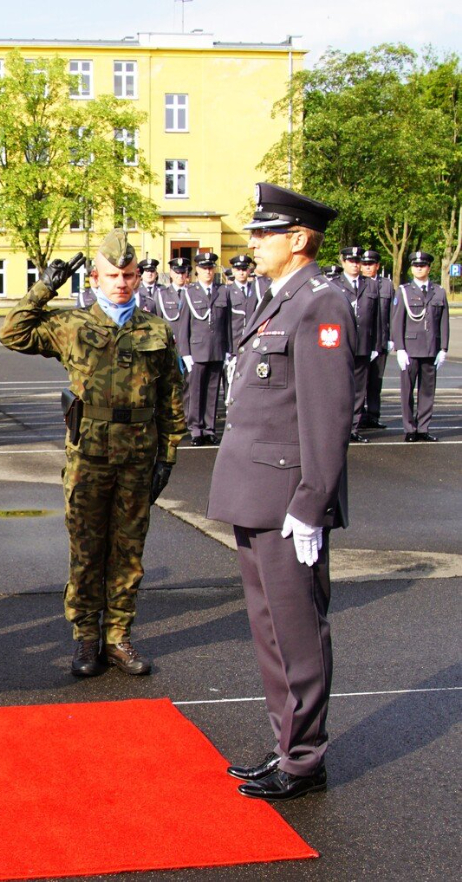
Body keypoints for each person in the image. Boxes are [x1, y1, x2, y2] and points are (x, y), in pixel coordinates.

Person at [207, 182, 351, 802]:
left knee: (296, 629)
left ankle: (303, 758)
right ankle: (287, 744)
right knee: (270, 629)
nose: (254, 242)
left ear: (298, 240)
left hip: (288, 499)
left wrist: (311, 501)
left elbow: (328, 413)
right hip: (253, 491)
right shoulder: (279, 299)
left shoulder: (320, 303)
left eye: (265, 233)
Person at [0, 231, 186, 677]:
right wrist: (44, 288)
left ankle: (118, 636)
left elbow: (171, 397)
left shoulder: (156, 330)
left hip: (139, 455)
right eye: (112, 275)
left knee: (128, 550)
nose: (121, 283)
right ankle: (86, 637)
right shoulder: (73, 326)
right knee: (86, 548)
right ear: (95, 278)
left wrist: (169, 454)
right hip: (89, 457)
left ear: (138, 277)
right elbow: (12, 334)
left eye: (128, 274)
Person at [391, 251, 450, 442]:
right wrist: (399, 348)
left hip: (431, 349)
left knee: (427, 391)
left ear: (429, 268)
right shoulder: (405, 291)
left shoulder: (439, 291)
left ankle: (423, 427)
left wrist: (444, 348)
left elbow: (444, 322)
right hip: (410, 349)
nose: (419, 268)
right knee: (407, 391)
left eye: (423, 266)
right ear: (411, 268)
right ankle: (410, 428)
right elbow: (397, 321)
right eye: (416, 266)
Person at [178, 252, 230, 445]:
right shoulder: (190, 293)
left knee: (213, 391)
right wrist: (185, 353)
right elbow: (184, 326)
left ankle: (209, 428)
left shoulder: (223, 291)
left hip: (217, 349)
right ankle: (196, 429)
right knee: (196, 391)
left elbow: (228, 323)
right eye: (204, 268)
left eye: (210, 268)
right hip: (197, 350)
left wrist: (228, 349)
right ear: (197, 270)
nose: (208, 271)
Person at [332, 246, 380, 443]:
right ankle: (337, 426)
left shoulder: (370, 286)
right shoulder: (334, 284)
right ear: (343, 262)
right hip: (341, 344)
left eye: (358, 261)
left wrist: (376, 345)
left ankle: (353, 427)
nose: (355, 264)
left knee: (359, 389)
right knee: (339, 387)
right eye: (351, 261)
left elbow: (376, 318)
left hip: (363, 345)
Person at [358, 249, 393, 430]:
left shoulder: (387, 285)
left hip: (381, 341)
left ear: (377, 266)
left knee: (375, 381)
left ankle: (373, 415)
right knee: (360, 381)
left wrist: (391, 337)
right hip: (363, 341)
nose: (367, 267)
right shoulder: (359, 284)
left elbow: (393, 314)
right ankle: (360, 415)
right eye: (364, 264)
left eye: (371, 264)